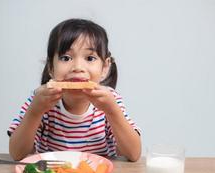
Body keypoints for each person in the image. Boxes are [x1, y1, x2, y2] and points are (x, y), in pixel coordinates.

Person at [8, 18, 141, 162]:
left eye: (90, 58)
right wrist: (35, 111)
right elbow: (17, 154)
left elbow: (133, 154)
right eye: (66, 58)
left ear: (105, 67)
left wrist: (112, 111)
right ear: (51, 68)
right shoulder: (40, 100)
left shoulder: (111, 100)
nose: (78, 67)